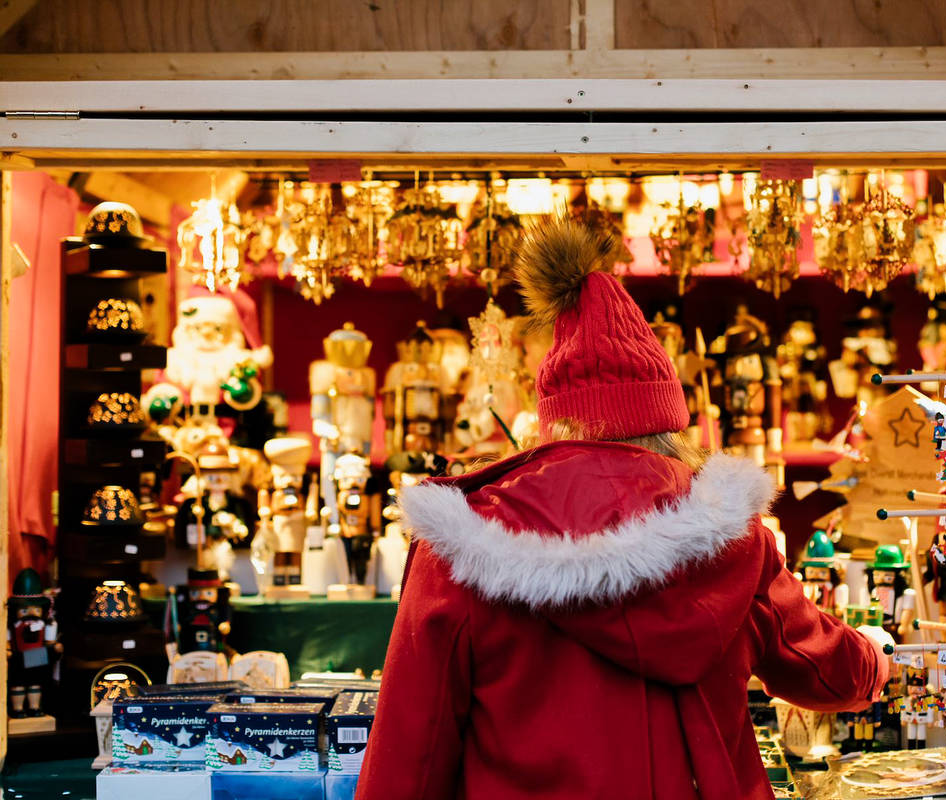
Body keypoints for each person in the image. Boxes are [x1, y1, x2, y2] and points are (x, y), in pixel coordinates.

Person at [356, 216, 890, 800]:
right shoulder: (733, 536)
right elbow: (822, 666)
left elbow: (410, 758)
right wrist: (877, 657)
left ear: (552, 416)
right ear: (666, 417)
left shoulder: (464, 543)